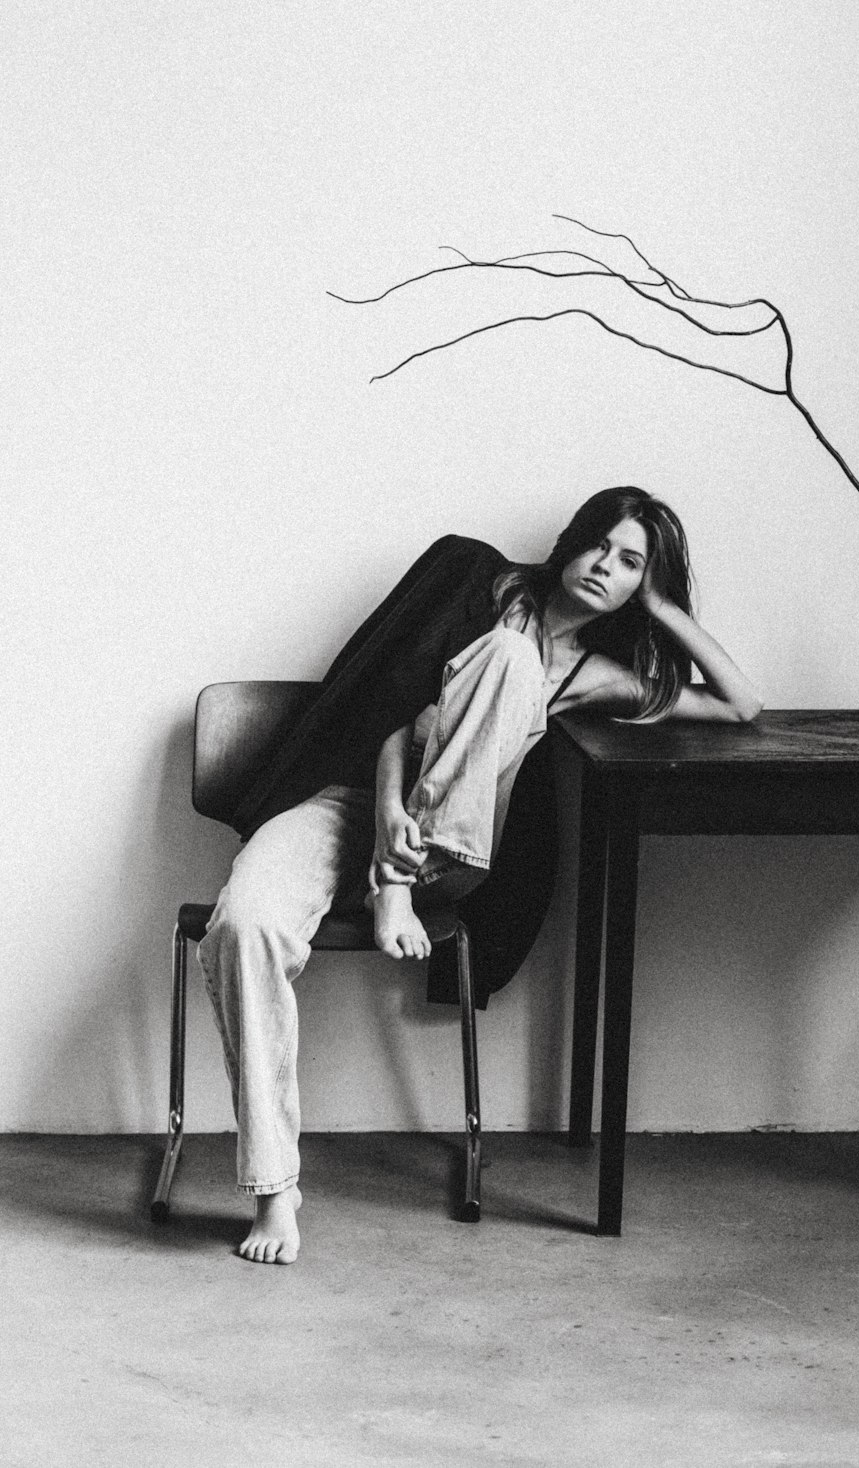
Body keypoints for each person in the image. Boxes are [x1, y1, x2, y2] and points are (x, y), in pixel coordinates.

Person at [198, 487, 762, 1263]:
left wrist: (663, 604)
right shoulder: (487, 597)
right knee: (244, 924)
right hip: (355, 803)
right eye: (600, 544)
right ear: (571, 542)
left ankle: (395, 878)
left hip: (453, 854)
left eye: (629, 562)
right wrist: (393, 816)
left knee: (507, 659)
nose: (605, 565)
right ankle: (273, 1190)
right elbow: (402, 723)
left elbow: (741, 706)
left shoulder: (593, 676)